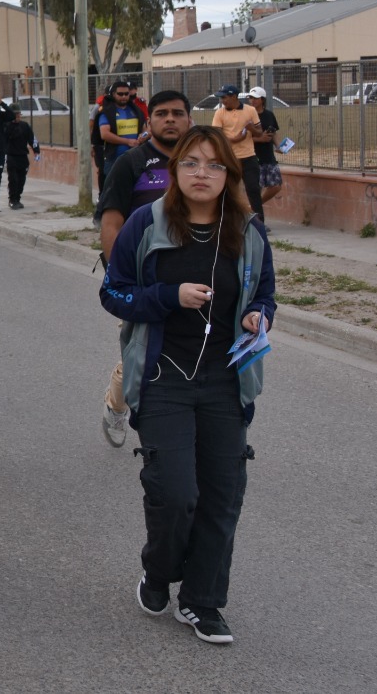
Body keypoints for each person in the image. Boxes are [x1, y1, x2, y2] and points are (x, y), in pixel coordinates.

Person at [100, 124, 276, 646]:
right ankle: (158, 571)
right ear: (175, 171)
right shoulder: (146, 224)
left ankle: (203, 602)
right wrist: (168, 296)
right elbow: (114, 295)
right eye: (192, 163)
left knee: (223, 497)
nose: (203, 173)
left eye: (215, 165)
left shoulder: (248, 230)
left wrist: (258, 317)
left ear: (229, 175)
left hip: (226, 382)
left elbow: (265, 296)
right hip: (163, 379)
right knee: (175, 493)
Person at [96, 90, 191, 447]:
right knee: (140, 350)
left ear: (189, 120)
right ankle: (116, 405)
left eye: (178, 113)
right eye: (162, 113)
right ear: (148, 121)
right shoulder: (131, 164)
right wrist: (118, 277)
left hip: (195, 281)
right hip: (142, 282)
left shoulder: (201, 163)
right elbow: (111, 224)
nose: (170, 119)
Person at [209, 85, 263, 221]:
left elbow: (259, 131)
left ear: (234, 96)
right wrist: (234, 139)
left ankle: (258, 221)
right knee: (227, 190)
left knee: (253, 190)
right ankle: (226, 219)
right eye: (221, 98)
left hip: (248, 156)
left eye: (224, 97)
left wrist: (251, 128)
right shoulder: (219, 113)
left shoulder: (250, 110)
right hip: (229, 158)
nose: (222, 100)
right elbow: (217, 135)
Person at [97, 81, 145, 183]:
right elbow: (104, 134)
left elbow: (145, 129)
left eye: (126, 94)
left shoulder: (136, 110)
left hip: (135, 157)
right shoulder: (107, 112)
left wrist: (143, 136)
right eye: (120, 94)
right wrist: (127, 141)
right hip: (114, 158)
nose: (124, 97)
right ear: (114, 94)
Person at [247, 88, 283, 206]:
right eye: (251, 98)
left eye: (255, 98)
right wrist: (259, 139)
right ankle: (255, 211)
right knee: (256, 189)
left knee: (276, 186)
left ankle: (256, 205)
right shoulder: (247, 116)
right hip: (253, 157)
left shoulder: (269, 115)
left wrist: (279, 146)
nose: (252, 101)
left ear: (262, 100)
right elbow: (242, 138)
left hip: (268, 157)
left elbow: (274, 133)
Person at [3, 108, 41, 210]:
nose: (17, 116)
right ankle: (12, 200)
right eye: (15, 114)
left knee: (21, 180)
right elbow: (3, 139)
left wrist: (36, 150)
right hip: (11, 156)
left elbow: (32, 138)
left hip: (23, 156)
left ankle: (17, 198)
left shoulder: (24, 126)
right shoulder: (6, 125)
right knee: (13, 179)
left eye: (19, 114)